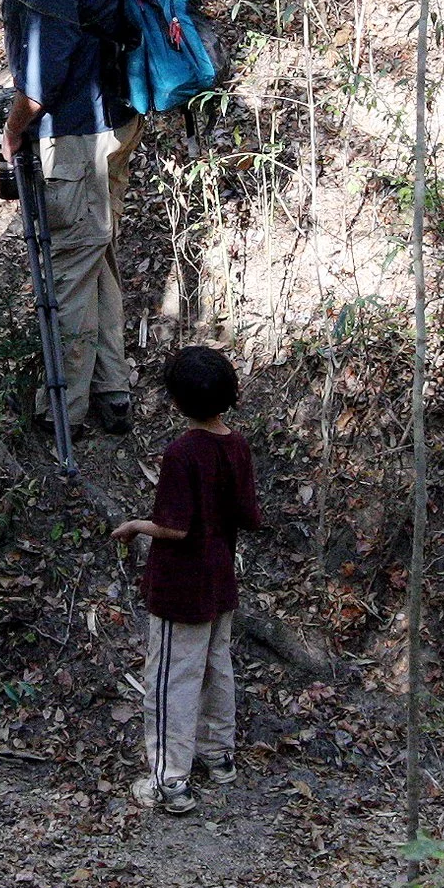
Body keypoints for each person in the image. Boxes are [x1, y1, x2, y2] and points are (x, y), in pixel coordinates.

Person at [0, 0, 142, 437]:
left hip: (77, 136)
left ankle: (66, 413)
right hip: (116, 123)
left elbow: (39, 88)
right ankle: (113, 389)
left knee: (69, 268)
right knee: (96, 253)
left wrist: (13, 131)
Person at [112, 346, 260, 815]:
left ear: (177, 401)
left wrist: (136, 525)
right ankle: (217, 754)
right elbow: (248, 515)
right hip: (220, 577)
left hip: (182, 586)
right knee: (217, 664)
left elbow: (175, 527)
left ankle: (169, 779)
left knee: (172, 675)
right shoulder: (236, 445)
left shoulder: (182, 453)